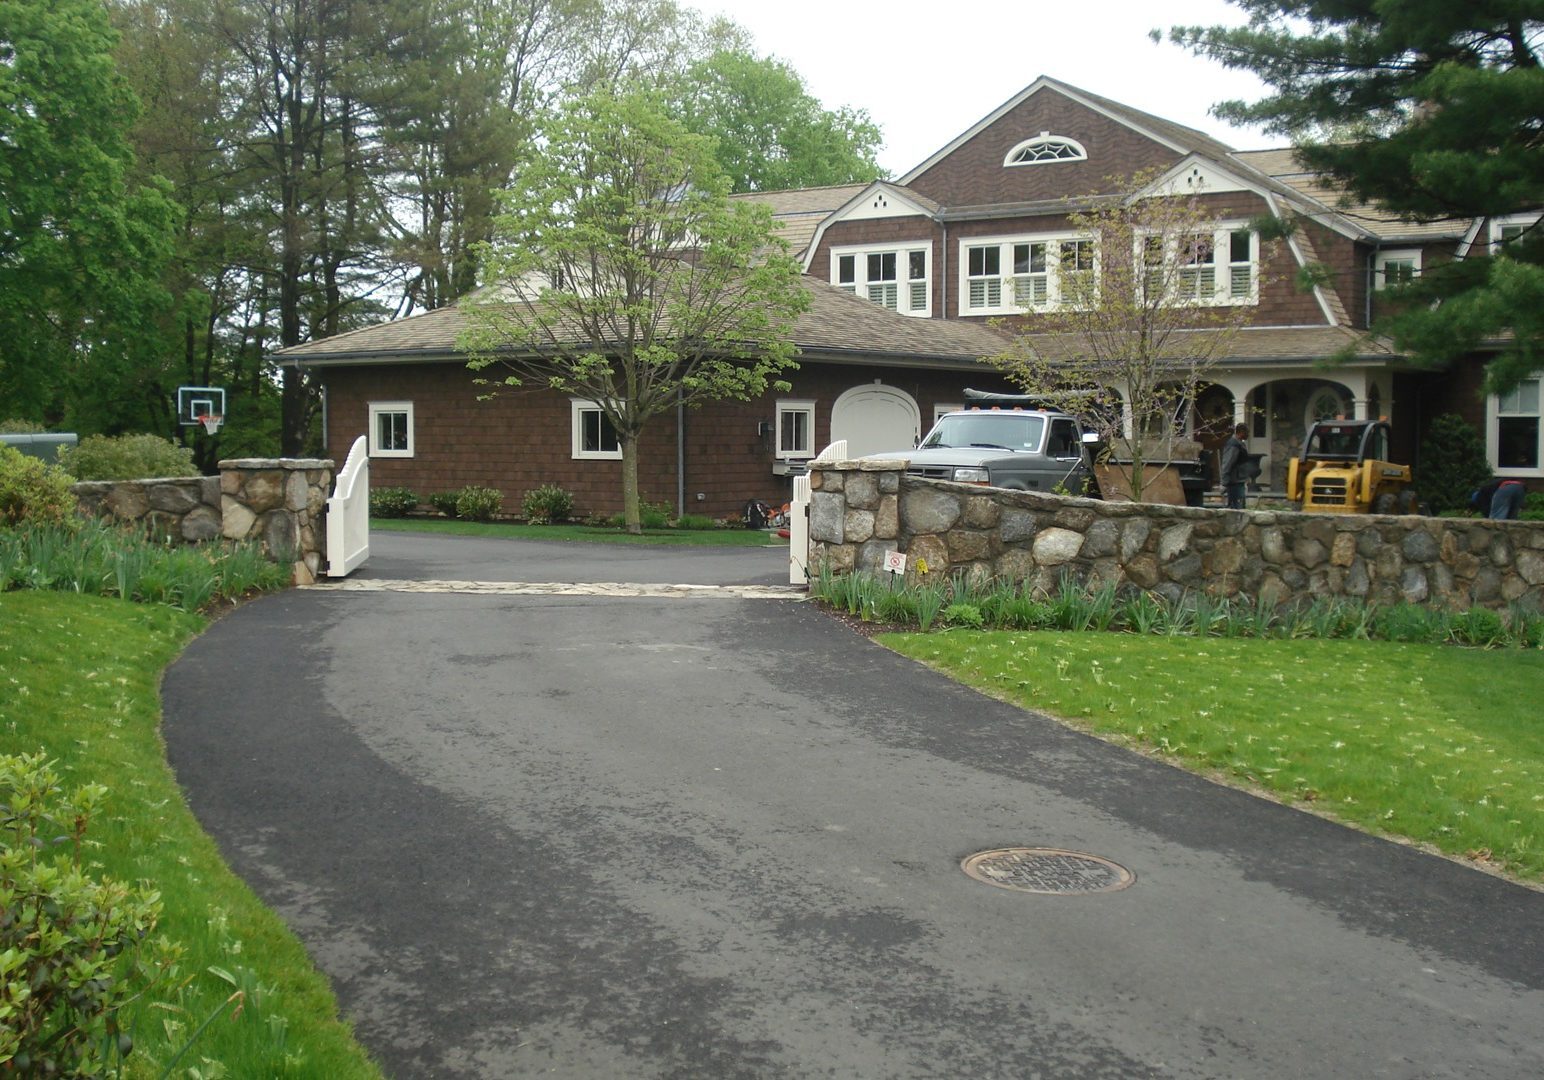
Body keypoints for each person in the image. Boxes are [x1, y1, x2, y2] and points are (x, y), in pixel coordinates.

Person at [1218, 423, 1250, 510]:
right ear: (1241, 432)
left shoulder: (1240, 444)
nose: (1248, 434)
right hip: (1234, 482)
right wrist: (1224, 482)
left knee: (1241, 507)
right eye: (1247, 432)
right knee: (1236, 509)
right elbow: (1227, 463)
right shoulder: (1233, 445)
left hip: (1239, 480)